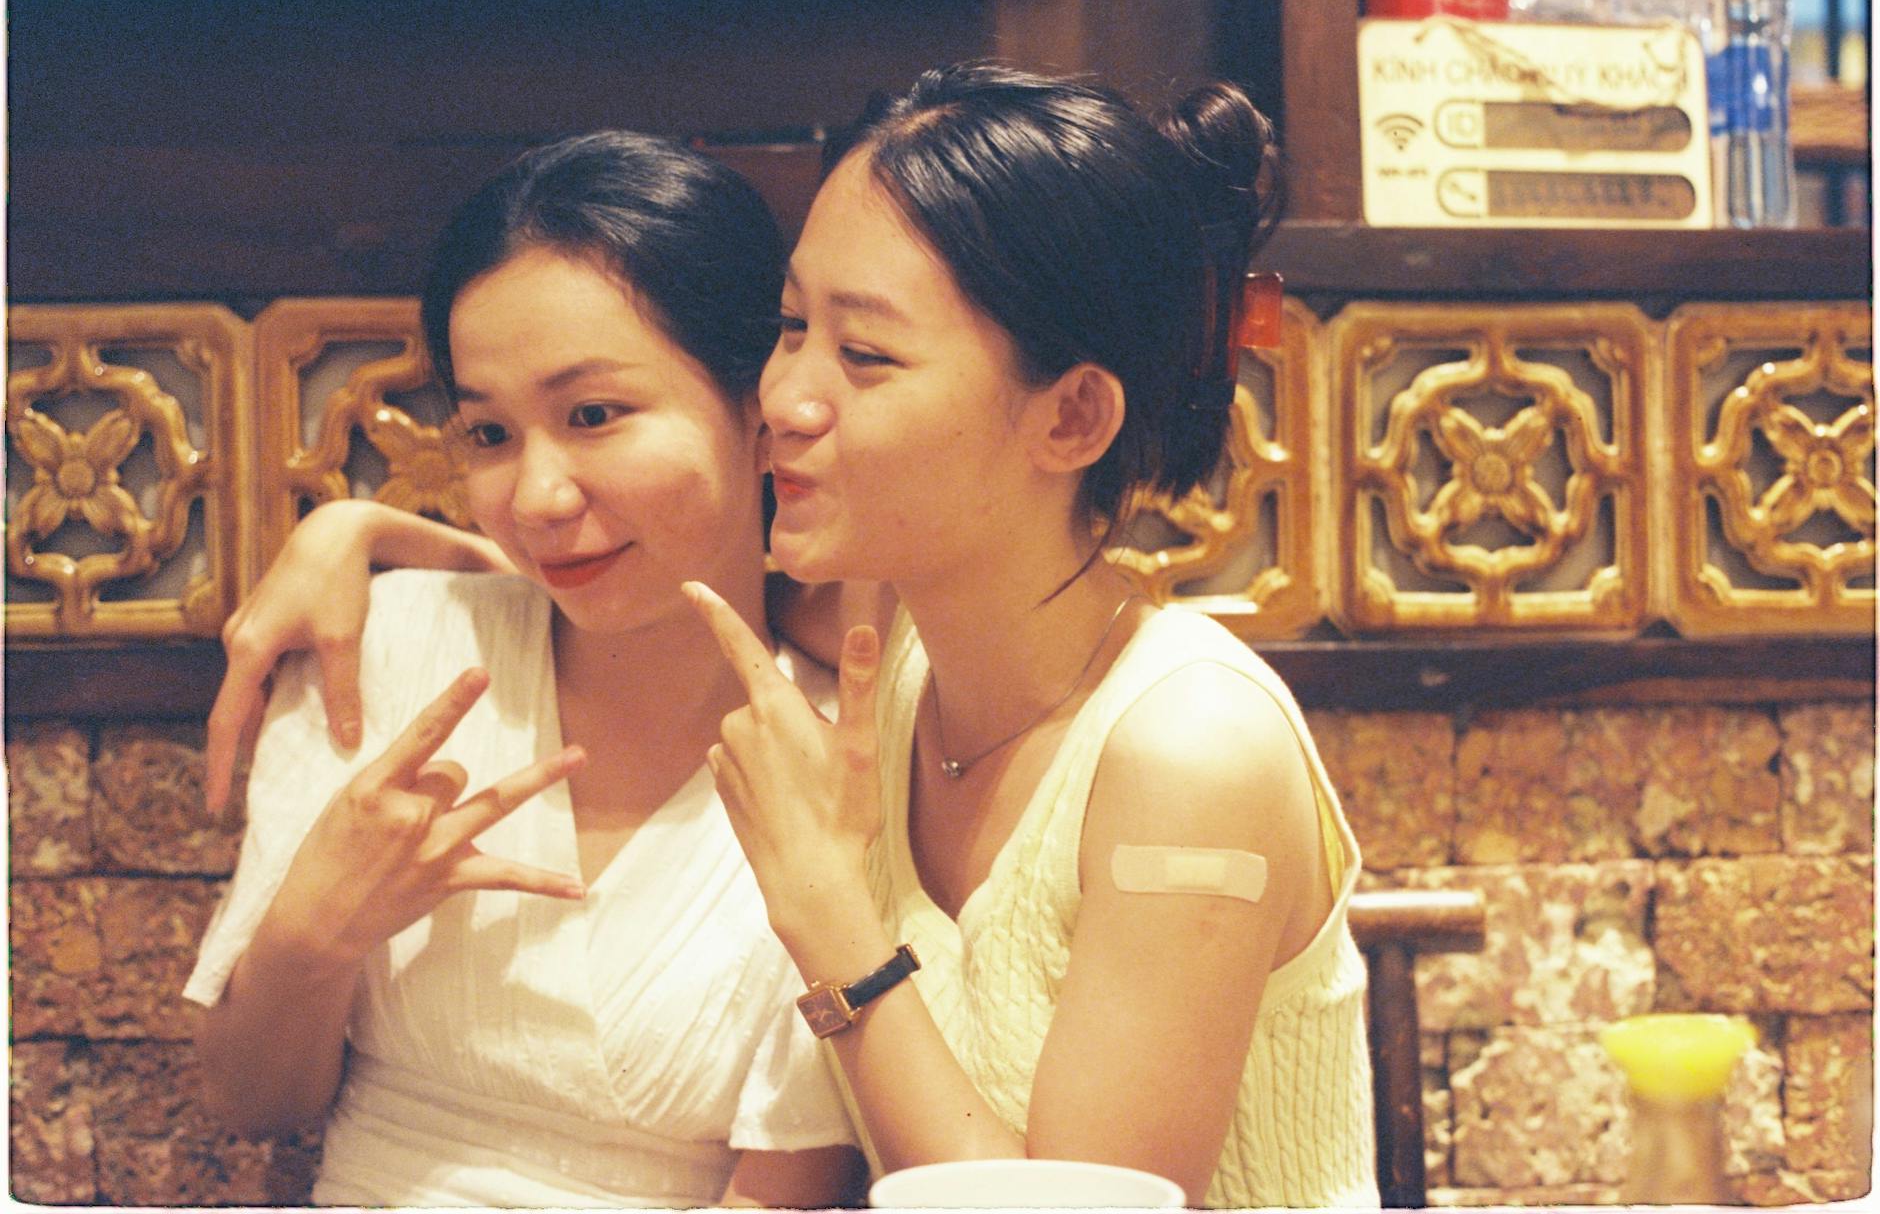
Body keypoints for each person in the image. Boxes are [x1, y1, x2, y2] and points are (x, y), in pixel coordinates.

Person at [206, 64, 1377, 1209]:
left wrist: (829, 916)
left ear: (1069, 414)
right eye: (788, 329)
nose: (783, 397)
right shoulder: (910, 659)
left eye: (861, 354)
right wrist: (369, 536)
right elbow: (656, 589)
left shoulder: (1186, 756)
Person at [185, 131, 859, 1208]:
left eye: (594, 414)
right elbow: (249, 1097)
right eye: (490, 432)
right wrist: (314, 933)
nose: (537, 496)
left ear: (754, 404)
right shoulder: (391, 644)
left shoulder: (849, 749)